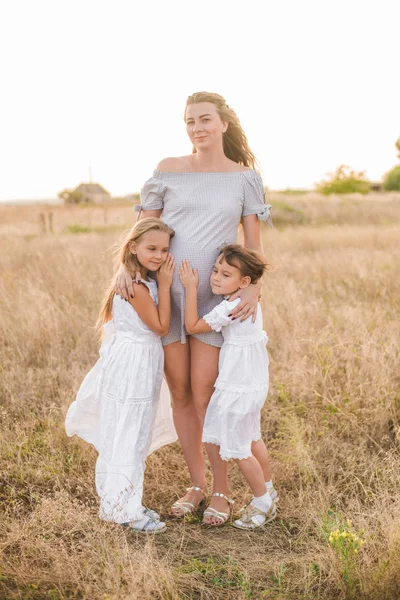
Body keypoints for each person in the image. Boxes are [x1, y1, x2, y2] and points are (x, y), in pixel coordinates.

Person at [115, 91, 272, 525]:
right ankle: (198, 484)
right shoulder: (168, 170)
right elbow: (143, 231)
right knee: (181, 395)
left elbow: (254, 248)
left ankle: (223, 491)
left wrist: (254, 289)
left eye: (204, 119)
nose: (197, 128)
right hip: (167, 296)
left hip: (213, 303)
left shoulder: (243, 178)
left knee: (207, 397)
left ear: (223, 123)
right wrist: (125, 270)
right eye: (189, 121)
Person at [65, 218, 177, 534]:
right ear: (133, 247)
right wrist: (166, 286)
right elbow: (160, 327)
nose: (158, 255)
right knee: (129, 433)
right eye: (151, 248)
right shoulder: (138, 287)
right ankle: (123, 510)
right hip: (134, 365)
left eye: (164, 250)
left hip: (140, 361)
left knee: (133, 433)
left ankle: (124, 503)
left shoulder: (137, 280)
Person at [178, 245, 277, 530]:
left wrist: (190, 288)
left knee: (238, 447)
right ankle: (269, 490)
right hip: (252, 383)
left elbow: (193, 326)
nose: (216, 278)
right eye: (215, 270)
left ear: (245, 283)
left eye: (225, 274)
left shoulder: (231, 307)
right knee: (252, 437)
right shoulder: (249, 302)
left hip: (237, 386)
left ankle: (262, 503)